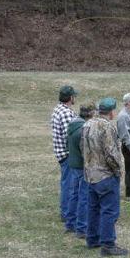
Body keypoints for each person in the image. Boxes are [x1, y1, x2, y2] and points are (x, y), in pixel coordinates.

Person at [82, 98, 128, 257]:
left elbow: (83, 148)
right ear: (111, 112)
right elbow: (111, 153)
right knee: (109, 211)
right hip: (105, 175)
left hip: (90, 175)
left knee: (93, 209)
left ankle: (92, 239)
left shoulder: (87, 124)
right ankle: (108, 244)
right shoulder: (107, 127)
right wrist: (117, 171)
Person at [64, 103, 96, 238]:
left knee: (73, 195)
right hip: (82, 167)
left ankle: (70, 224)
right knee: (84, 197)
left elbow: (67, 145)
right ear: (90, 114)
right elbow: (87, 151)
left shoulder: (72, 126)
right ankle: (82, 228)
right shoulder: (84, 129)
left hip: (73, 165)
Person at [51, 85, 77, 222]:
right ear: (70, 97)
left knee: (66, 183)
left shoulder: (58, 109)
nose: (75, 98)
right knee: (69, 185)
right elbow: (71, 135)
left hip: (61, 153)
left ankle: (65, 211)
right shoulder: (66, 113)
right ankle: (67, 213)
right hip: (68, 154)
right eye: (74, 96)